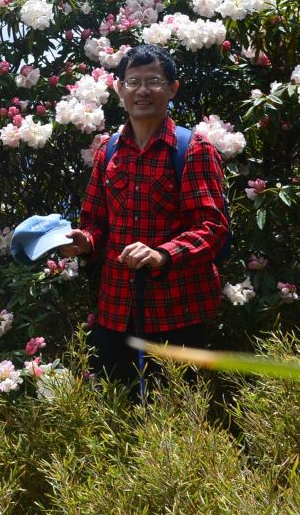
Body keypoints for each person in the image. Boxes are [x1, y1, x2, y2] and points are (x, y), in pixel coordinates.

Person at [60, 44, 228, 387]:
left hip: (177, 312)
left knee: (176, 413)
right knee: (116, 411)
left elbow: (212, 228)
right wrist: (85, 241)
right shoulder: (108, 151)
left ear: (172, 88)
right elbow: (95, 221)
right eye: (133, 82)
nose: (142, 91)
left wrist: (162, 254)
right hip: (116, 309)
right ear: (119, 89)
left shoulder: (193, 150)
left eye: (153, 81)